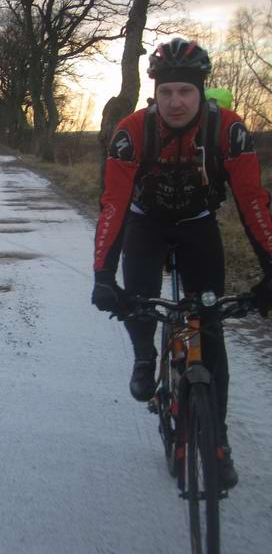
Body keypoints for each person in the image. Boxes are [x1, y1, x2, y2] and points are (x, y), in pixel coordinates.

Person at [91, 37, 272, 489]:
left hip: (197, 225)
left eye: (185, 92)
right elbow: (112, 204)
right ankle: (144, 353)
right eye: (167, 92)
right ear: (156, 93)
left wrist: (271, 270)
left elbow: (253, 202)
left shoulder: (227, 130)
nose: (176, 102)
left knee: (210, 332)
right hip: (145, 224)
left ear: (201, 91)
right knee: (136, 300)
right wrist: (102, 276)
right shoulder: (132, 132)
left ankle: (218, 443)